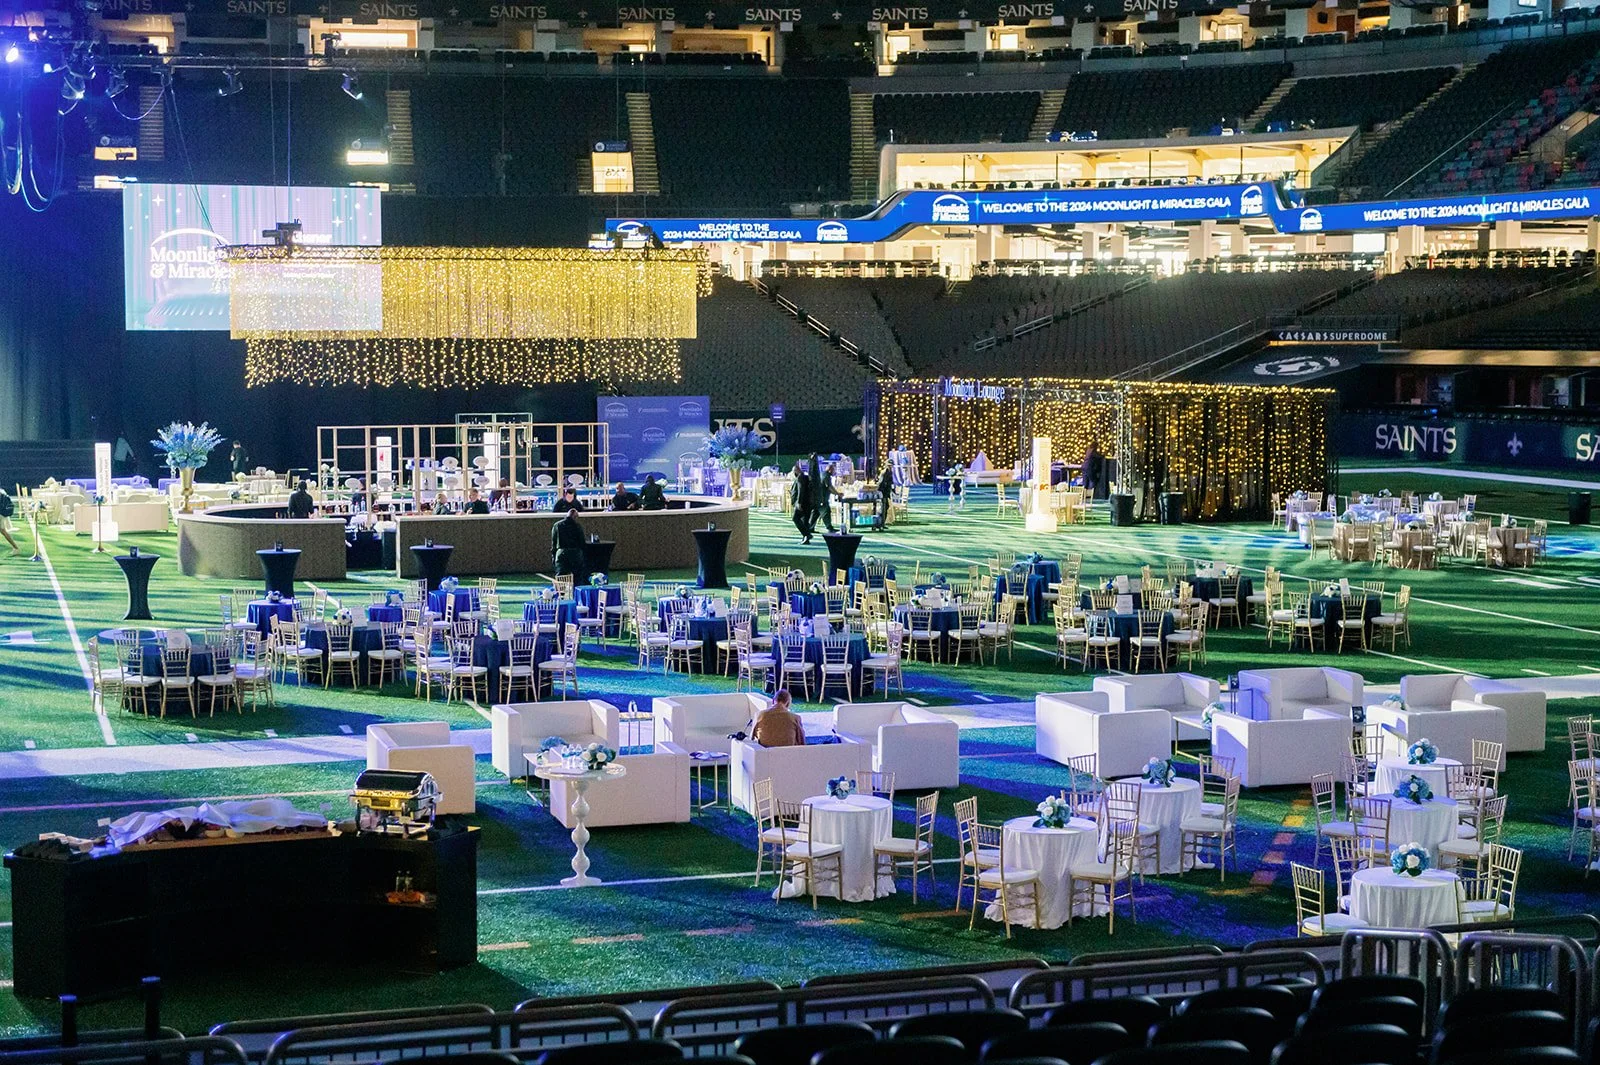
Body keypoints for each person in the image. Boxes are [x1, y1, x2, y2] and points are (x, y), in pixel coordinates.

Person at [551, 506, 589, 582]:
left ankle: (560, 589)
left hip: (561, 552)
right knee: (577, 576)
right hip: (575, 553)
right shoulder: (577, 526)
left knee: (561, 576)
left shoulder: (557, 525)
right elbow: (582, 542)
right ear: (575, 517)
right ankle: (576, 588)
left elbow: (554, 542)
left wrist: (553, 555)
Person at [809, 453, 836, 534]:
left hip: (817, 497)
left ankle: (810, 527)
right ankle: (829, 528)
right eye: (833, 470)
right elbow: (829, 487)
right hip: (822, 498)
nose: (834, 472)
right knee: (826, 512)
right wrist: (838, 493)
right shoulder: (826, 476)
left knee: (816, 513)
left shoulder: (822, 474)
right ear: (830, 470)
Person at [790, 462, 815, 544]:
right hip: (808, 502)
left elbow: (801, 490)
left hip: (803, 503)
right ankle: (806, 538)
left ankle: (807, 534)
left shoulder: (800, 478)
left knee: (795, 518)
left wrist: (799, 503)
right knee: (805, 521)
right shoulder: (805, 477)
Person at [0, 488, 20, 555]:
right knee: (3, 531)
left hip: (2, 512)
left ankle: (16, 548)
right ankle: (16, 548)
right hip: (3, 512)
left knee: (3, 531)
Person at [875, 462, 895, 530]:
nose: (890, 467)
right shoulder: (884, 472)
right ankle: (880, 523)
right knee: (883, 508)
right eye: (889, 465)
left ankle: (882, 523)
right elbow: (881, 482)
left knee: (885, 507)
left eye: (891, 466)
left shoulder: (890, 472)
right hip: (883, 492)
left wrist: (893, 490)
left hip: (886, 492)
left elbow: (890, 482)